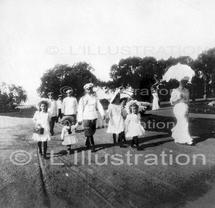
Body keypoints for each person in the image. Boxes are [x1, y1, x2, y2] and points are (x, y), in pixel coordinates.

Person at [77, 83, 104, 152]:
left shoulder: (95, 98)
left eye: (90, 88)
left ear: (92, 89)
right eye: (87, 89)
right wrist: (79, 118)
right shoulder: (83, 99)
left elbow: (99, 106)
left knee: (92, 131)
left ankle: (87, 141)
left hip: (94, 116)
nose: (89, 90)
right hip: (86, 116)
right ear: (85, 90)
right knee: (89, 131)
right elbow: (80, 109)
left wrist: (102, 114)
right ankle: (93, 146)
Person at [170, 79, 193, 145]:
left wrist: (184, 100)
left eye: (185, 82)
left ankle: (178, 137)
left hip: (185, 107)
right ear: (179, 82)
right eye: (182, 82)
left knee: (183, 122)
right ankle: (187, 139)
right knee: (183, 122)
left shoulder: (187, 90)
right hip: (177, 108)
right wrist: (179, 98)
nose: (183, 83)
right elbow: (172, 102)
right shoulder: (175, 91)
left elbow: (188, 101)